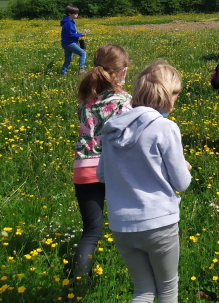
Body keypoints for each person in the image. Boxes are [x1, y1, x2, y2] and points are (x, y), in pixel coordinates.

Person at [97, 60, 192, 303]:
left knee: (143, 290)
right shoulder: (165, 128)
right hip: (159, 223)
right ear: (167, 95)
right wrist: (184, 166)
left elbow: (102, 175)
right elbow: (181, 182)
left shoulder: (111, 129)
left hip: (121, 226)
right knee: (168, 289)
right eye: (176, 95)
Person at [73, 44, 131, 278]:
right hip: (113, 169)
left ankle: (77, 284)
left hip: (83, 170)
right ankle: (132, 274)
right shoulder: (124, 101)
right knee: (127, 223)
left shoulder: (85, 101)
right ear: (123, 71)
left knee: (90, 232)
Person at [61, 5, 87, 75]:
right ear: (70, 14)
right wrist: (80, 34)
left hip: (65, 43)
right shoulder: (69, 23)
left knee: (68, 59)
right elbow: (71, 34)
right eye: (75, 13)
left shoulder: (68, 22)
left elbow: (71, 33)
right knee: (83, 53)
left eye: (77, 13)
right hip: (70, 43)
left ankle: (63, 73)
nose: (77, 15)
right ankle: (81, 69)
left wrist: (78, 34)